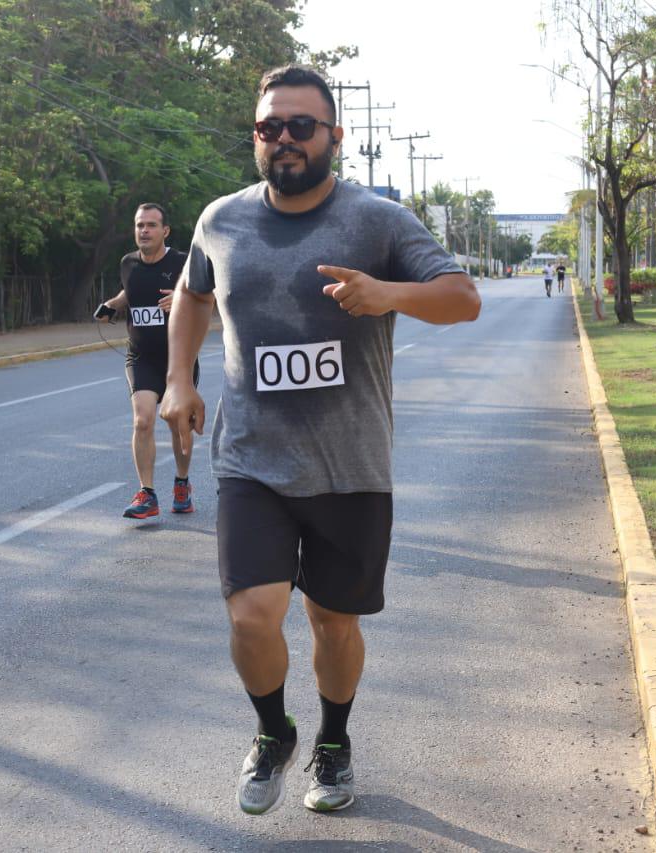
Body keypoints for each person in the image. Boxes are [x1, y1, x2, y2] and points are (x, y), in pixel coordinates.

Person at [161, 65, 480, 816]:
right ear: (256, 139)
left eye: (301, 126)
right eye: (270, 128)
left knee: (333, 624)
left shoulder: (377, 221)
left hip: (350, 464)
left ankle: (334, 741)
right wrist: (180, 379)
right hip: (251, 460)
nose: (285, 140)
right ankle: (275, 730)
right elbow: (191, 293)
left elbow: (462, 298)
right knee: (250, 613)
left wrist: (388, 294)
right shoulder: (221, 219)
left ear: (336, 136)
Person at [97, 203, 198, 519]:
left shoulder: (183, 262)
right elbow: (130, 291)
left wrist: (183, 298)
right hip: (140, 356)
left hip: (177, 358)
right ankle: (147, 493)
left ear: (164, 231)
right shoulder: (128, 263)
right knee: (142, 420)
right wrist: (111, 305)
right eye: (140, 225)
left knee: (177, 423)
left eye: (151, 225)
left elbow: (207, 294)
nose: (144, 231)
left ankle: (182, 484)